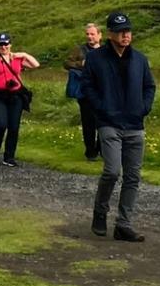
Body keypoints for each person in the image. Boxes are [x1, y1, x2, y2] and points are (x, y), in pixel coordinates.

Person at [83, 13, 153, 240]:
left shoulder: (140, 60)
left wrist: (144, 107)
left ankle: (124, 224)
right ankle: (100, 211)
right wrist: (101, 108)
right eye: (121, 31)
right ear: (111, 34)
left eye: (128, 31)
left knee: (133, 176)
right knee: (112, 171)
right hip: (109, 122)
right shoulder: (96, 59)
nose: (126, 35)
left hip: (135, 123)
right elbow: (87, 87)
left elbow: (149, 86)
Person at [0, 32, 40, 166]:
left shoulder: (16, 58)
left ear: (10, 44)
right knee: (1, 123)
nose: (3, 47)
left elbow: (36, 65)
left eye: (6, 44)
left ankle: (9, 157)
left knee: (14, 126)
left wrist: (24, 54)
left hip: (15, 95)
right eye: (1, 44)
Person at [65, 23, 104, 160]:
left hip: (103, 92)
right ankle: (90, 152)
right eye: (87, 34)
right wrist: (81, 64)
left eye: (92, 34)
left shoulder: (106, 50)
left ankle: (102, 149)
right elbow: (67, 63)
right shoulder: (79, 50)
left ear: (99, 35)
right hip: (85, 92)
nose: (89, 37)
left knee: (104, 122)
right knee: (88, 123)